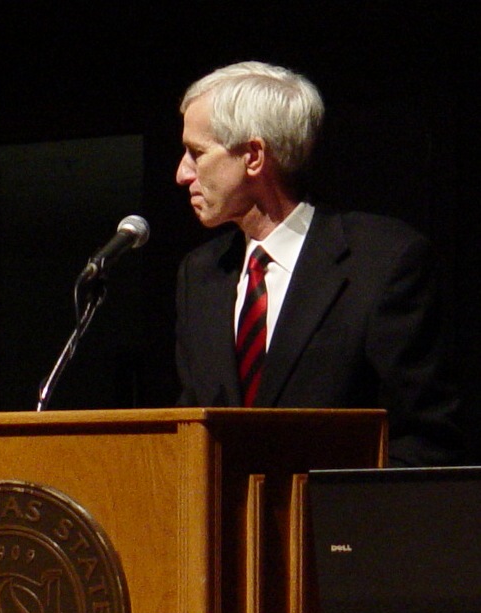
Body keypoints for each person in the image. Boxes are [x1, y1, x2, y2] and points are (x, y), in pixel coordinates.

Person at [174, 60, 465, 466]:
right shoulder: (201, 273)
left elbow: (423, 439)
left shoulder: (383, 262)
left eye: (196, 153)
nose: (182, 174)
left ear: (254, 156)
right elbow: (190, 431)